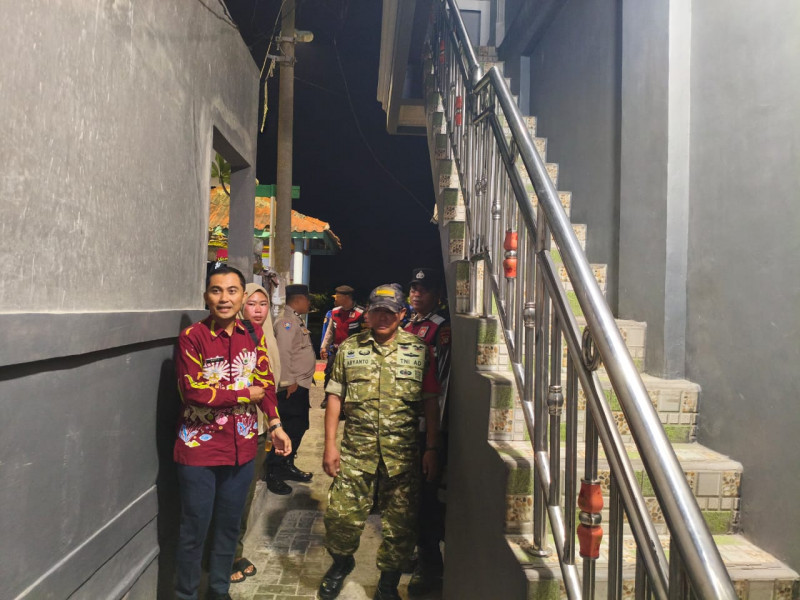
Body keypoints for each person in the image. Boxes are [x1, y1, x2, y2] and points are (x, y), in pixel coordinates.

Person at [173, 265, 291, 600]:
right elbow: (192, 392)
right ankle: (185, 594)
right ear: (206, 296)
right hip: (200, 450)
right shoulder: (193, 336)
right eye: (216, 291)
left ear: (242, 296)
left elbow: (265, 383)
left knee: (229, 526)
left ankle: (219, 590)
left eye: (231, 291)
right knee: (194, 530)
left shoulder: (252, 334)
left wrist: (275, 424)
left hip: (243, 448)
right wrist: (242, 394)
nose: (224, 298)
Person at [318, 284, 441, 600]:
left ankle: (388, 585)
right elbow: (335, 397)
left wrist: (431, 448)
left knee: (400, 527)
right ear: (368, 315)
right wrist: (329, 445)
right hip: (355, 453)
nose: (383, 317)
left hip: (402, 456)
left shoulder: (418, 350)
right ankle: (341, 564)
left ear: (401, 314)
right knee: (340, 518)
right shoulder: (350, 349)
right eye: (377, 311)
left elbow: (430, 402)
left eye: (390, 312)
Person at [403, 268, 452, 595]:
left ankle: (431, 566)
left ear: (437, 295)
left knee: (427, 500)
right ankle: (412, 550)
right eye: (413, 288)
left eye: (424, 289)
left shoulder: (441, 328)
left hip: (426, 426)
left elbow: (443, 383)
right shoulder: (408, 325)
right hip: (404, 425)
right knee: (407, 495)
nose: (417, 294)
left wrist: (436, 434)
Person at [230, 281, 282, 584]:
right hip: (237, 430)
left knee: (246, 498)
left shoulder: (264, 335)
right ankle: (227, 557)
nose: (259, 310)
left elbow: (269, 384)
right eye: (252, 304)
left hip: (260, 429)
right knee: (233, 499)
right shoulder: (236, 338)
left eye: (263, 304)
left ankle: (234, 552)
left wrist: (274, 424)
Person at [267, 284, 317, 494]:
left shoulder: (295, 319)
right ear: (299, 299)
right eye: (307, 299)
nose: (309, 303)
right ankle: (274, 472)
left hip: (300, 384)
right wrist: (288, 381)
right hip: (292, 387)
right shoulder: (286, 322)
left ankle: (287, 465)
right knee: (288, 429)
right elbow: (283, 353)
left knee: (299, 426)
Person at [319, 285, 365, 408]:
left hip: (353, 354)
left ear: (346, 297)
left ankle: (349, 401)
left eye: (338, 297)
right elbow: (330, 331)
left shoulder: (361, 313)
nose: (335, 299)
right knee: (329, 374)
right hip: (335, 351)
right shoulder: (334, 312)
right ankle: (328, 398)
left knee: (351, 377)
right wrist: (324, 347)